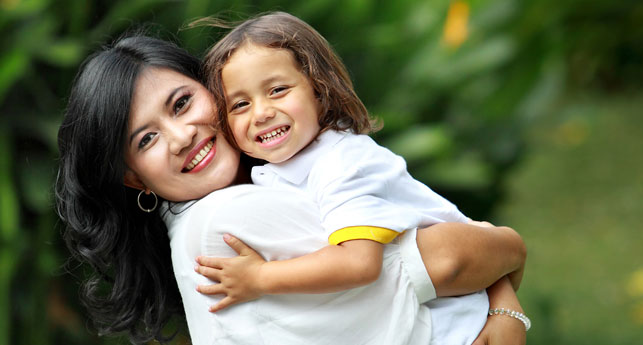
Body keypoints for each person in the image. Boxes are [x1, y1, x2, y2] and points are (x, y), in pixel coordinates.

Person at [56, 34, 526, 345]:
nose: (182, 136)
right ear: (134, 177)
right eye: (147, 139)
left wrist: (503, 297)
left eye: (182, 103)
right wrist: (507, 269)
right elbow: (451, 260)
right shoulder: (224, 221)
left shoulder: (285, 175)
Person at [192, 11, 526, 345]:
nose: (261, 112)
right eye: (239, 105)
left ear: (319, 91)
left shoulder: (342, 162)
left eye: (278, 90)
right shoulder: (280, 171)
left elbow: (359, 263)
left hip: (459, 331)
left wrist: (259, 277)